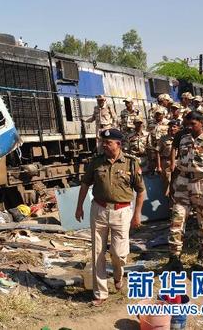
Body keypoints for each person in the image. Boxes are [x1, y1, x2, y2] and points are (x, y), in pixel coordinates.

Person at [75, 128, 145, 306]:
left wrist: (137, 214)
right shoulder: (96, 162)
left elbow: (141, 190)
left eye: (108, 143)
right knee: (97, 253)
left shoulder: (131, 163)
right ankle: (100, 294)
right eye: (102, 142)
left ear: (118, 144)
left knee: (118, 254)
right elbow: (84, 184)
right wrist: (79, 207)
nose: (103, 145)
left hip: (122, 213)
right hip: (98, 210)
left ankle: (118, 274)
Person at [166, 111, 203, 272]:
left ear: (201, 123)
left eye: (193, 124)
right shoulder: (184, 139)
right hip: (183, 183)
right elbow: (178, 165)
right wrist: (172, 185)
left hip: (202, 185)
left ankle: (202, 258)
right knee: (176, 221)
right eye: (187, 124)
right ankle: (174, 258)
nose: (190, 127)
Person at [156, 120, 180, 195]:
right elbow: (157, 152)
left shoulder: (182, 138)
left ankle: (174, 202)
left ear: (178, 128)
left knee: (178, 183)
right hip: (167, 163)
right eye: (170, 127)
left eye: (174, 127)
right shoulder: (163, 138)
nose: (172, 128)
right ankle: (168, 201)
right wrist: (159, 166)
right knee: (167, 183)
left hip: (178, 162)